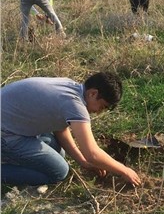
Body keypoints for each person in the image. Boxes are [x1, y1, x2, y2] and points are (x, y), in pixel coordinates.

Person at [1, 72, 142, 187]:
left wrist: (82, 161)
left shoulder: (70, 86)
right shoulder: (75, 105)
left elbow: (60, 130)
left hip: (13, 124)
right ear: (93, 93)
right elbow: (92, 153)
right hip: (6, 135)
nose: (99, 112)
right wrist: (124, 170)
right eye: (102, 106)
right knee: (58, 172)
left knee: (58, 151)